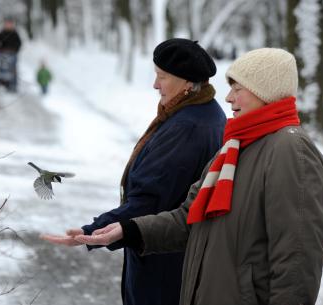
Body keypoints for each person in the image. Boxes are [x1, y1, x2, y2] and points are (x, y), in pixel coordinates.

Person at [71, 48, 323, 305]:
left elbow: (298, 258)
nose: (229, 98)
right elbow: (189, 218)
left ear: (265, 92)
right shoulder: (235, 147)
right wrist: (128, 230)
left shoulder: (290, 151)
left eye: (238, 89)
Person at [40, 38, 227, 305]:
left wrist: (93, 231)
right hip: (171, 255)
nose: (155, 84)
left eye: (162, 77)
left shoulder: (189, 127)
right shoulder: (200, 113)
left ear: (187, 82)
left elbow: (150, 200)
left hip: (165, 263)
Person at [0, 17, 22, 92]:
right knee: (3, 69)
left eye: (10, 24)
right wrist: (0, 49)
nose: (8, 25)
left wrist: (15, 50)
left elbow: (19, 43)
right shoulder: (2, 33)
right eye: (7, 24)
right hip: (3, 54)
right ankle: (3, 85)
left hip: (12, 54)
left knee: (12, 70)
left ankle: (13, 86)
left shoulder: (15, 33)